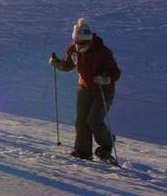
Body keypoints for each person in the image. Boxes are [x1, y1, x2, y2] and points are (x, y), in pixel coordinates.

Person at [51, 18, 121, 162]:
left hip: (103, 90)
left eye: (82, 43)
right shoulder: (73, 49)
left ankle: (107, 145)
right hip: (84, 88)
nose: (79, 45)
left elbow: (115, 72)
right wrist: (56, 63)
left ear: (89, 40)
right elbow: (67, 65)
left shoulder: (102, 52)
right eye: (77, 42)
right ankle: (83, 152)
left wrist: (106, 78)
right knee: (81, 121)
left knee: (94, 120)